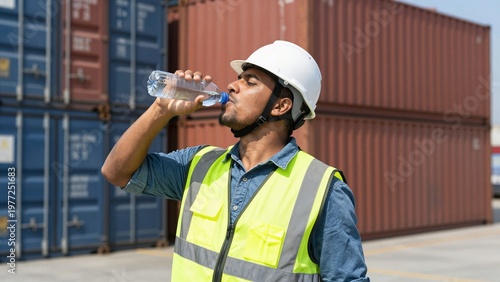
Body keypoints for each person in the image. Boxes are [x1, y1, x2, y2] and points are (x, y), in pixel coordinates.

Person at [102, 40, 370, 281]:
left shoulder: (323, 190)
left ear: (280, 106)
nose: (232, 85)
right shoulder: (199, 164)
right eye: (238, 78)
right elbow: (116, 172)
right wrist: (160, 110)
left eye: (250, 82)